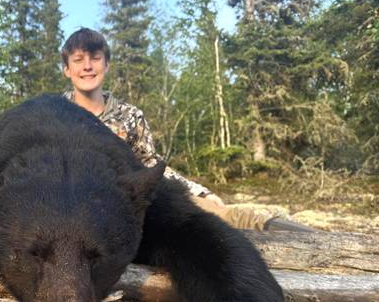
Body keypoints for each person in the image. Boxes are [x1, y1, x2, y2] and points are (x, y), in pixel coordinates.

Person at [60, 28, 313, 232]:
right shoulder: (54, 115)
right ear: (67, 69)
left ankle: (276, 228)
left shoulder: (130, 116)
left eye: (95, 58)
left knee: (212, 211)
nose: (87, 67)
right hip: (73, 209)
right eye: (78, 60)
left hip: (133, 203)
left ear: (107, 65)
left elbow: (152, 165)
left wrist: (198, 190)